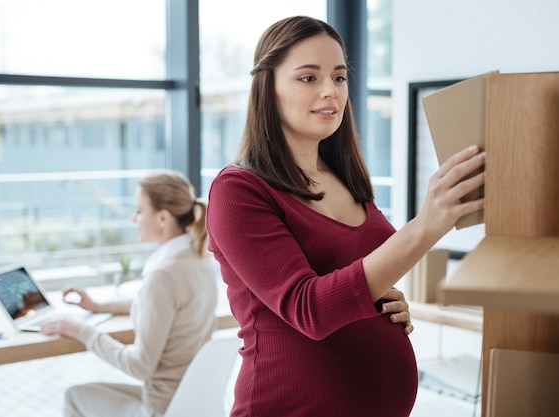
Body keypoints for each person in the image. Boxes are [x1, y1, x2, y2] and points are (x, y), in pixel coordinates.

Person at [205, 16, 485, 417]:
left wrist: (380, 295)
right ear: (268, 88)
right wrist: (428, 224)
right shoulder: (238, 191)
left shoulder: (343, 175)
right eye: (308, 78)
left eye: (339, 78)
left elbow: (353, 274)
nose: (329, 91)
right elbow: (309, 309)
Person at [41, 169, 218, 417]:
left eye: (138, 211)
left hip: (161, 408)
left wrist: (81, 331)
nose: (133, 219)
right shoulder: (200, 261)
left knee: (76, 396)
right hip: (191, 401)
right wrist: (100, 305)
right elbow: (164, 307)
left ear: (163, 218)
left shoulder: (163, 274)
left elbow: (139, 366)